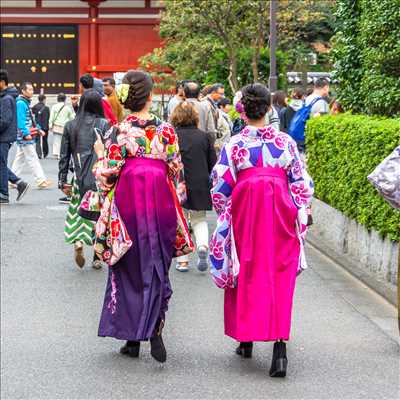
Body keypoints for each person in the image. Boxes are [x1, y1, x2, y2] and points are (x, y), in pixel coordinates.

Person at [210, 83, 314, 377]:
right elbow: (301, 184)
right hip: (281, 212)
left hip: (245, 212)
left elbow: (219, 187)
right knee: (279, 276)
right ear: (269, 108)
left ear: (242, 111)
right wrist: (300, 214)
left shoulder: (235, 145)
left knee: (246, 271)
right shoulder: (285, 143)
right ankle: (279, 350)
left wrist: (225, 214)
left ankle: (246, 339)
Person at [94, 70, 192, 362]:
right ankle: (155, 326)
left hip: (129, 197)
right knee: (156, 261)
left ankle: (132, 337)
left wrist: (101, 156)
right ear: (150, 96)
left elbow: (108, 174)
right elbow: (175, 167)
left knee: (128, 263)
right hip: (160, 194)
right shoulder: (166, 130)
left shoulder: (119, 130)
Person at [58, 89, 110, 270]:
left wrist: (62, 180)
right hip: (99, 177)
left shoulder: (71, 125)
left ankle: (78, 240)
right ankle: (97, 255)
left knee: (79, 213)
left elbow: (64, 156)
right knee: (99, 216)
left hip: (79, 178)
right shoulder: (104, 124)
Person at [171, 101, 217, 272]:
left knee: (180, 221)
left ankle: (183, 261)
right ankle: (203, 246)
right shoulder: (204, 137)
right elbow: (213, 163)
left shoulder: (173, 136)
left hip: (178, 184)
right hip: (200, 183)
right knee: (199, 219)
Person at [11, 82, 52, 189]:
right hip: (24, 136)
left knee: (19, 159)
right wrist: (26, 133)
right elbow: (20, 121)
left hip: (25, 134)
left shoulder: (25, 102)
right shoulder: (21, 103)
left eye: (32, 89)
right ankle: (41, 180)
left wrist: (38, 130)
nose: (31, 92)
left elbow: (30, 119)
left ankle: (11, 180)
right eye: (29, 90)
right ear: (23, 91)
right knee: (32, 158)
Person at [0, 70, 29, 204]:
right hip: (5, 136)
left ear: (2, 82)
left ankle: (4, 194)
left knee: (1, 164)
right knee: (1, 163)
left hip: (3, 137)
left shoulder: (6, 98)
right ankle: (19, 183)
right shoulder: (6, 96)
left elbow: (5, 120)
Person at [49, 93, 75, 159]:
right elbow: (72, 117)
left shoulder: (54, 106)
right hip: (64, 126)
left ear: (58, 99)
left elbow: (51, 117)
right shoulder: (67, 107)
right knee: (63, 141)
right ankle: (61, 153)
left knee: (56, 140)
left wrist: (50, 125)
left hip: (56, 125)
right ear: (65, 99)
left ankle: (56, 154)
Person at [32, 94, 50, 159]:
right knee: (45, 140)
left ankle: (39, 153)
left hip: (38, 126)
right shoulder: (47, 108)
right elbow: (48, 117)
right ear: (44, 99)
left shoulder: (35, 107)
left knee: (38, 140)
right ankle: (45, 153)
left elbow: (32, 114)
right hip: (45, 126)